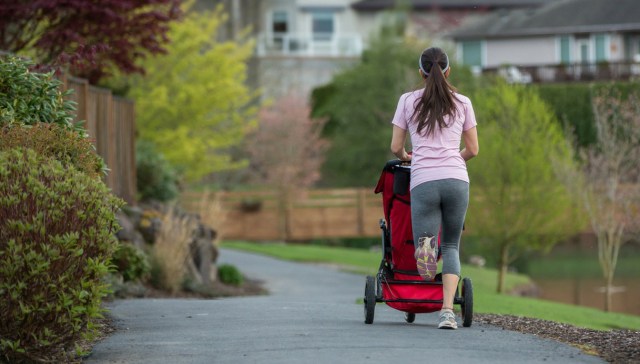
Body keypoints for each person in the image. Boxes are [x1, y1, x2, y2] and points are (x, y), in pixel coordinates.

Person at [389, 47, 479, 329]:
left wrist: (407, 158)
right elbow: (474, 150)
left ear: (421, 72)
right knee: (451, 245)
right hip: (457, 180)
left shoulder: (407, 101)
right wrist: (453, 160)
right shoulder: (463, 102)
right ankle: (448, 312)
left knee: (426, 249)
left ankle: (426, 270)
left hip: (424, 179)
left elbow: (395, 147)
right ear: (448, 71)